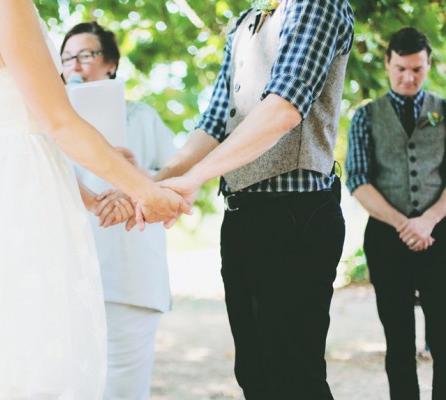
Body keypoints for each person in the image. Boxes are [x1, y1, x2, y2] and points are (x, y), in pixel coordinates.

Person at [0, 0, 190, 399]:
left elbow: (18, 124)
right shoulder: (8, 4)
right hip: (23, 198)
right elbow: (59, 124)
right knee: (32, 346)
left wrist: (90, 198)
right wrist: (146, 191)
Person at [142, 1, 354, 399]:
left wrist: (194, 180)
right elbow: (214, 123)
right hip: (243, 215)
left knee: (294, 377)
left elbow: (284, 107)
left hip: (297, 214)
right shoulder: (245, 23)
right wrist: (151, 184)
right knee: (255, 375)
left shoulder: (316, 5)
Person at [60, 21, 176, 400]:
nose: (74, 65)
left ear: (110, 63)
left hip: (130, 274)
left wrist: (135, 175)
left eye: (85, 55)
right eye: (66, 58)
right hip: (68, 275)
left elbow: (178, 184)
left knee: (124, 388)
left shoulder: (143, 117)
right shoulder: (50, 125)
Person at [345, 27, 445, 400]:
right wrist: (406, 224)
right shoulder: (366, 117)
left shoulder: (445, 111)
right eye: (401, 68)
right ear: (387, 63)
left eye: (417, 69)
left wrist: (429, 219)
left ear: (428, 64)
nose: (409, 77)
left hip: (441, 235)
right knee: (399, 341)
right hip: (387, 239)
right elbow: (357, 180)